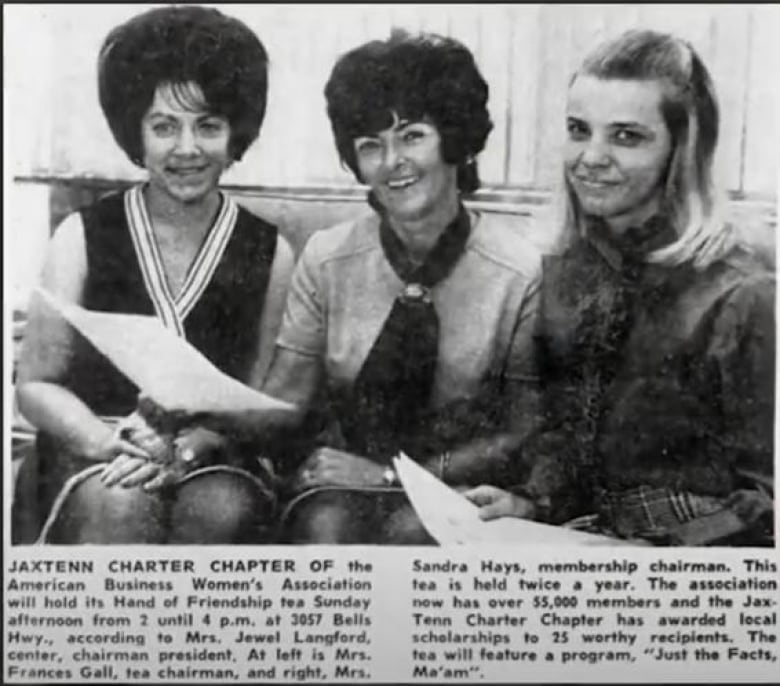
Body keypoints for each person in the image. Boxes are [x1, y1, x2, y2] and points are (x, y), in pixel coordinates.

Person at [465, 29, 775, 546]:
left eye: (626, 136)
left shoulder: (744, 293)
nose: (591, 156)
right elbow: (570, 445)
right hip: (590, 538)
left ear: (682, 149)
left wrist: (646, 556)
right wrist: (531, 503)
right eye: (578, 130)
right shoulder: (567, 268)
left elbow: (766, 503)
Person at [13, 5, 295, 544]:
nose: (186, 148)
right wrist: (103, 442)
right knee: (118, 505)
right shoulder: (81, 235)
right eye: (164, 126)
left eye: (207, 125)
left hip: (214, 451)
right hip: (96, 446)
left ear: (236, 132)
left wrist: (195, 445)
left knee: (222, 511)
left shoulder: (271, 251)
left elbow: (263, 401)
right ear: (134, 132)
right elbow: (36, 386)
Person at [259, 31, 543, 544]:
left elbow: (522, 432)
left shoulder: (519, 273)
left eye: (412, 136)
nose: (392, 162)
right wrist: (199, 420)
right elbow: (284, 402)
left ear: (455, 138)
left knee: (414, 533)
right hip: (342, 481)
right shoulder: (327, 258)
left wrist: (393, 478)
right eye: (371, 146)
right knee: (325, 525)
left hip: (461, 483)